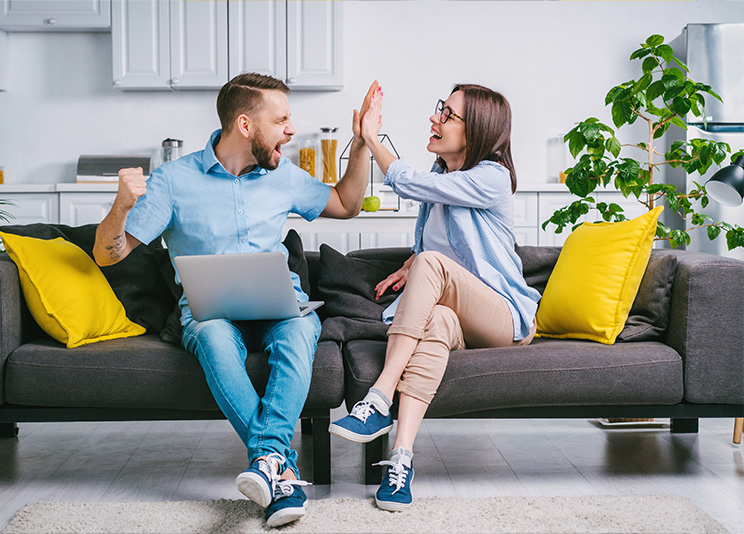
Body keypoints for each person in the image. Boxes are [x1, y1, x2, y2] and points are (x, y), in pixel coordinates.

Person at [94, 73, 378, 528]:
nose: (290, 128)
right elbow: (111, 255)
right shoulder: (174, 180)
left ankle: (268, 464)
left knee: (301, 328)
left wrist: (362, 144)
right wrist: (121, 206)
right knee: (212, 335)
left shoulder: (282, 174)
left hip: (277, 303)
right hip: (211, 312)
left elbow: (346, 204)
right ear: (245, 125)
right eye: (281, 119)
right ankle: (279, 466)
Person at [328, 84, 541, 511]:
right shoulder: (441, 177)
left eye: (448, 114)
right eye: (439, 109)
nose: (435, 119)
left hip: (503, 318)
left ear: (477, 128)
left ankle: (379, 395)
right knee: (438, 320)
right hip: (458, 317)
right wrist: (412, 265)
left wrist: (370, 136)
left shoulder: (491, 177)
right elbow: (435, 244)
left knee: (431, 265)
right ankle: (401, 459)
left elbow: (407, 186)